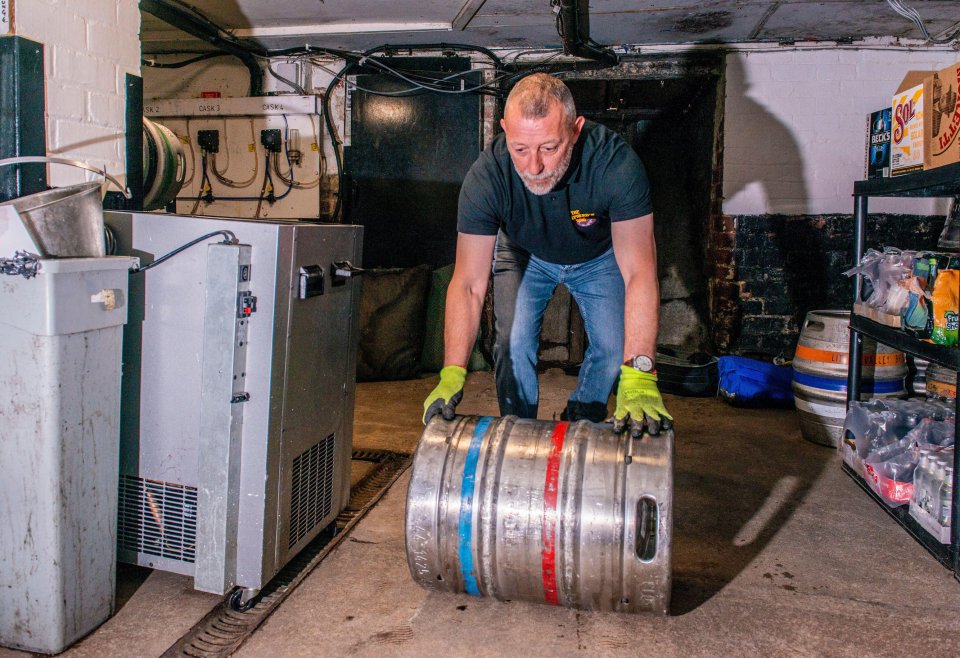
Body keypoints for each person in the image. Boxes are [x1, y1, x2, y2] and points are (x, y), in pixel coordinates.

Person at [422, 73, 672, 437]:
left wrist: (640, 372)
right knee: (512, 343)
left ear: (575, 129)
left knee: (614, 348)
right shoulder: (487, 177)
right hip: (524, 254)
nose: (534, 167)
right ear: (505, 129)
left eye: (549, 148)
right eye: (520, 148)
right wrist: (452, 372)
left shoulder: (615, 165)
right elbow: (469, 283)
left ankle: (579, 426)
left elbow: (639, 272)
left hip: (598, 258)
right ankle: (520, 432)